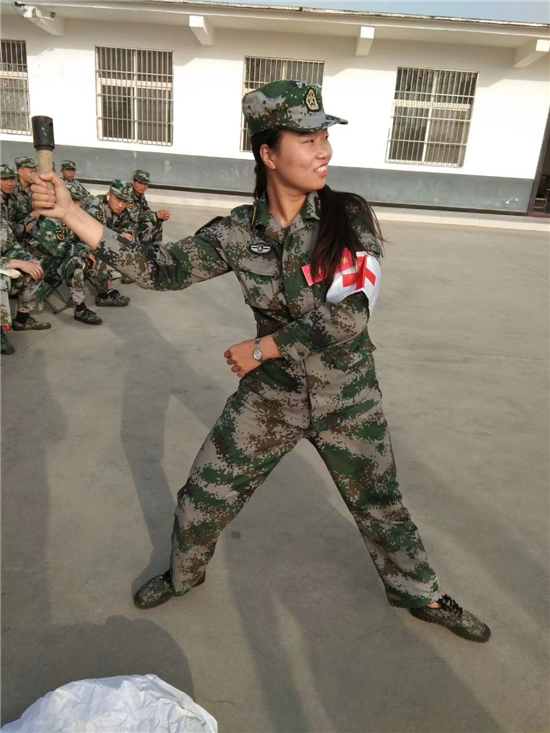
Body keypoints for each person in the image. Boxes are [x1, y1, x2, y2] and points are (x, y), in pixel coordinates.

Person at [31, 79, 490, 643]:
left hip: (348, 396)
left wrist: (261, 348)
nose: (323, 151)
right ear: (268, 153)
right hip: (271, 397)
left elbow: (350, 316)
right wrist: (71, 213)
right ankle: (184, 574)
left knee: (381, 505)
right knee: (204, 495)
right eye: (308, 139)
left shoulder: (348, 216)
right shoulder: (235, 232)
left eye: (325, 137)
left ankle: (423, 594)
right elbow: (159, 269)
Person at [32, 184, 102, 326]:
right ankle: (80, 310)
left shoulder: (71, 219)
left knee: (94, 255)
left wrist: (86, 251)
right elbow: (58, 250)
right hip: (44, 263)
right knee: (76, 261)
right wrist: (82, 252)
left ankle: (104, 293)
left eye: (78, 201)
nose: (77, 204)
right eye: (73, 201)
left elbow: (79, 241)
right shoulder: (50, 220)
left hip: (62, 259)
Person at [1, 219, 50, 354]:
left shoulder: (1, 222)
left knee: (34, 270)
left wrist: (28, 261)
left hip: (5, 267)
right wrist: (16, 263)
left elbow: (13, 247)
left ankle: (22, 320)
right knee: (1, 281)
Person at [83, 180, 133, 307]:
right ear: (109, 194)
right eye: (118, 199)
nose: (121, 205)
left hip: (100, 241)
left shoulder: (121, 209)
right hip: (81, 243)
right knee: (103, 251)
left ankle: (111, 286)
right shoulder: (96, 206)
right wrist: (118, 237)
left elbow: (126, 225)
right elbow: (94, 235)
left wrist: (126, 235)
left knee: (128, 244)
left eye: (125, 201)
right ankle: (103, 295)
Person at [127, 169, 170, 257]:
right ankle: (143, 253)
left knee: (157, 222)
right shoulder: (127, 193)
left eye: (145, 184)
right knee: (148, 225)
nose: (142, 186)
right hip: (126, 225)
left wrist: (160, 215)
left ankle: (156, 250)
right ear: (133, 180)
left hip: (135, 222)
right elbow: (135, 216)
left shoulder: (140, 194)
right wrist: (156, 215)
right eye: (140, 183)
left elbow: (147, 211)